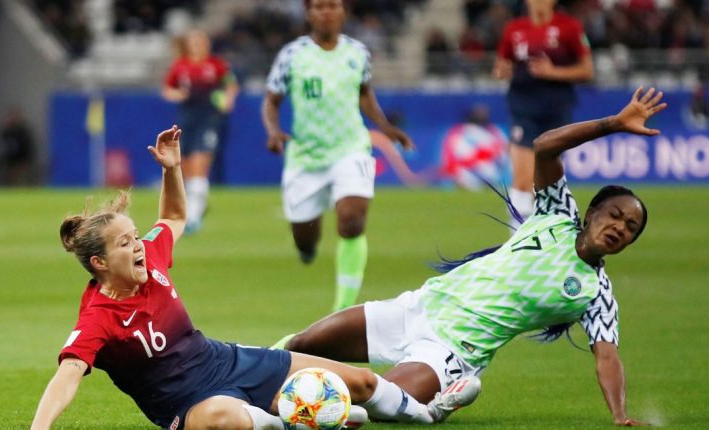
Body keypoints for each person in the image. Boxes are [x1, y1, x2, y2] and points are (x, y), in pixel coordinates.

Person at [29, 125, 465, 430]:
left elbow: (174, 217)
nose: (138, 245)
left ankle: (428, 412)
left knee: (362, 381)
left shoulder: (152, 258)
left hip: (227, 361)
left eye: (134, 236)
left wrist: (172, 168)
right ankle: (298, 418)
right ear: (100, 263)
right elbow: (67, 376)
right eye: (124, 244)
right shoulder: (99, 317)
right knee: (227, 421)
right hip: (189, 404)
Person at [278, 88, 667, 426]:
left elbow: (607, 358)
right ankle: (254, 376)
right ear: (593, 212)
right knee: (303, 343)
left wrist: (620, 415)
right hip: (418, 307)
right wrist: (613, 124)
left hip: (452, 352)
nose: (620, 227)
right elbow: (546, 145)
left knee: (375, 399)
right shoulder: (557, 214)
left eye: (630, 228)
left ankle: (425, 408)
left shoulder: (596, 294)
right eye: (615, 215)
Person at [261, 0, 414, 311]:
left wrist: (384, 126)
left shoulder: (357, 52)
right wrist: (273, 131)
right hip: (306, 157)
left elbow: (364, 93)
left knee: (353, 219)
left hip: (351, 147)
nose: (326, 12)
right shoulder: (293, 55)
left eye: (332, 6)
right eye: (319, 6)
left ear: (344, 11)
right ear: (308, 13)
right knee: (305, 238)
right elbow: (271, 100)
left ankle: (342, 307)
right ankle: (306, 248)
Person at [493, 0, 594, 228]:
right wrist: (502, 70)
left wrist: (552, 72)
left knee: (544, 182)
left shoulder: (569, 27)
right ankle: (517, 238)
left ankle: (540, 231)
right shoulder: (514, 28)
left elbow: (587, 70)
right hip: (523, 108)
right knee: (522, 177)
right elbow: (500, 66)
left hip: (556, 111)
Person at [162, 29, 239, 233]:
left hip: (210, 119)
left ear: (207, 44)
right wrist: (177, 94)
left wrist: (228, 100)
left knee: (200, 163)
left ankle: (193, 217)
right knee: (186, 167)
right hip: (187, 120)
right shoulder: (180, 66)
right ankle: (197, 206)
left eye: (200, 41)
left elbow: (231, 84)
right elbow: (167, 90)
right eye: (193, 41)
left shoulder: (216, 65)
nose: (196, 45)